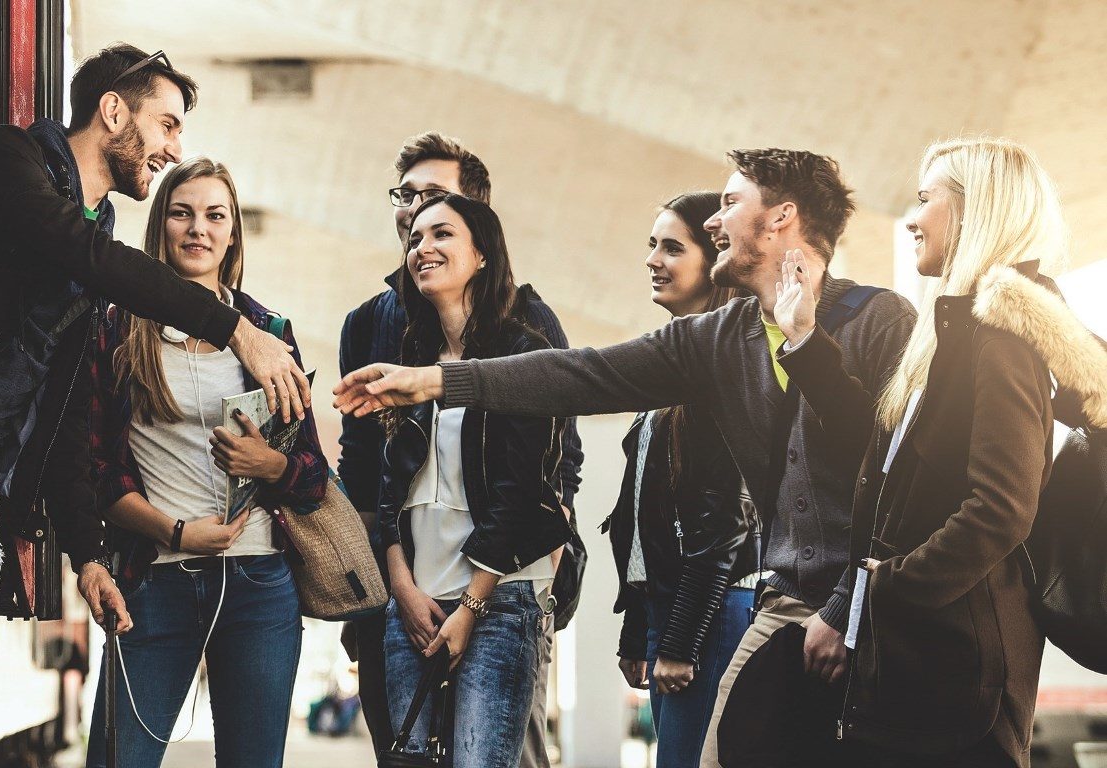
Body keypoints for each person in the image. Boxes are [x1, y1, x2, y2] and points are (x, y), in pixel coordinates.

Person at [331, 149, 918, 767]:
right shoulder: (719, 337)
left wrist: (847, 604)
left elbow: (898, 484)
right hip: (783, 605)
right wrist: (435, 382)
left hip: (872, 606)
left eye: (729, 203)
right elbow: (581, 374)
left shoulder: (881, 320)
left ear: (781, 218)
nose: (715, 223)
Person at [0, 45, 310, 768]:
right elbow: (85, 261)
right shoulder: (9, 162)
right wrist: (234, 331)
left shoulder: (92, 226)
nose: (172, 146)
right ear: (111, 111)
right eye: (165, 124)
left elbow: (65, 418)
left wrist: (85, 558)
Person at [772, 137, 1107, 767]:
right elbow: (886, 463)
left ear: (975, 210)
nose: (911, 217)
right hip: (929, 660)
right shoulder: (955, 332)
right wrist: (807, 342)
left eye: (927, 199)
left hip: (961, 674)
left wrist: (883, 590)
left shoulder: (1001, 335)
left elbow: (1002, 508)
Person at [338, 131, 584, 767]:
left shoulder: (528, 328)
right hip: (407, 590)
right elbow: (370, 477)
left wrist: (541, 555)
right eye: (408, 203)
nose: (418, 227)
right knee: (405, 756)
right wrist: (380, 590)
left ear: (481, 233)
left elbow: (554, 465)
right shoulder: (378, 328)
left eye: (437, 209)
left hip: (501, 585)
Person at [84, 157, 328, 768]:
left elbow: (313, 475)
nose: (199, 229)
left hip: (260, 587)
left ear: (233, 233)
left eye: (215, 215)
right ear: (159, 226)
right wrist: (175, 532)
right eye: (181, 213)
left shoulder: (269, 333)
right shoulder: (117, 329)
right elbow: (96, 469)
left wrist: (269, 464)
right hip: (155, 579)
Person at [609, 192, 758, 767]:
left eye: (672, 247)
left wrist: (679, 642)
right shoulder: (672, 374)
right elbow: (644, 519)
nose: (653, 259)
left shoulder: (725, 373)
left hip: (714, 615)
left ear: (713, 261)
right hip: (677, 613)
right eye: (652, 245)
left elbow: (722, 524)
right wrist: (639, 629)